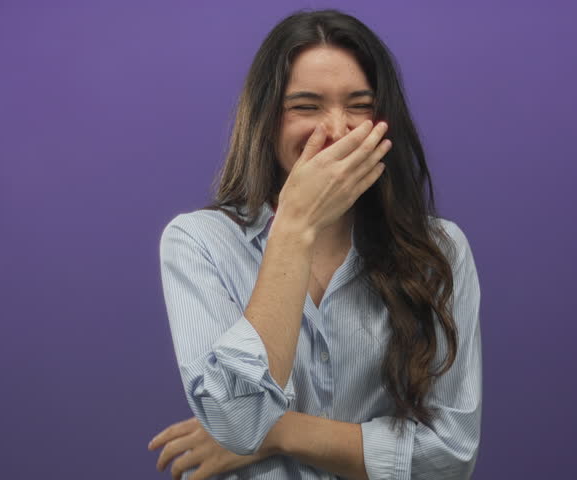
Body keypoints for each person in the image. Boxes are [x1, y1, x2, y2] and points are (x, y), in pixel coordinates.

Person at [147, 9, 481, 480]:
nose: (337, 128)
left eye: (360, 105)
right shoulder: (199, 243)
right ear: (267, 120)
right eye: (306, 106)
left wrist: (279, 432)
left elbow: (448, 456)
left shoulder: (441, 252)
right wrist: (295, 227)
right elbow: (239, 424)